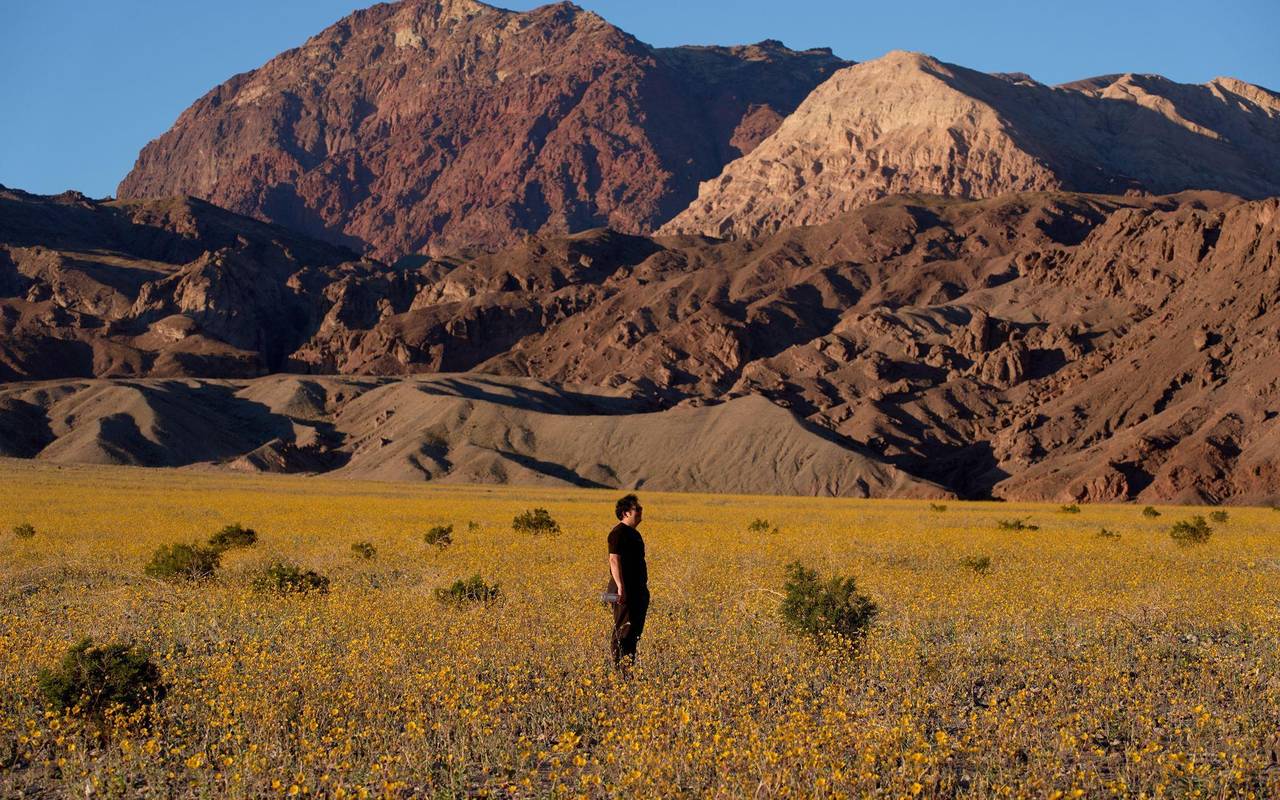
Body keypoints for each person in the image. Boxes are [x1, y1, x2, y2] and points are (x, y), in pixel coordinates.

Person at [606, 494, 648, 666]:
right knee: (624, 629)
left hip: (637, 589)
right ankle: (619, 669)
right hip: (623, 590)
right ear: (625, 513)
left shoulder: (634, 534)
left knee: (634, 632)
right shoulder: (618, 533)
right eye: (636, 509)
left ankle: (628, 668)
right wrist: (620, 587)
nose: (640, 512)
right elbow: (614, 559)